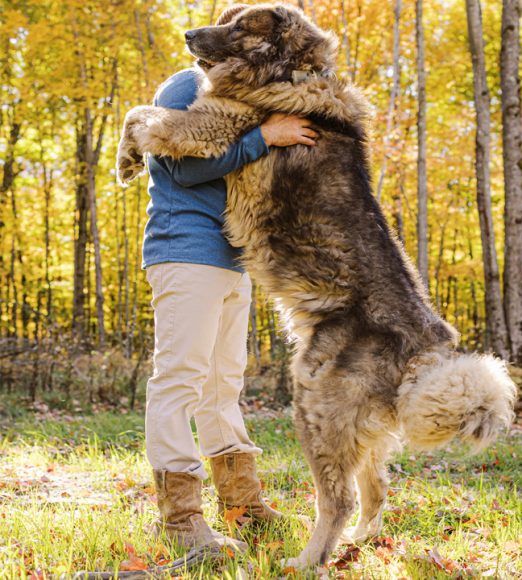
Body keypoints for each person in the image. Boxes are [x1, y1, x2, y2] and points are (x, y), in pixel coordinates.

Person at [144, 5, 317, 554]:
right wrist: (264, 136)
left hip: (232, 258)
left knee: (223, 385)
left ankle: (241, 504)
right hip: (184, 252)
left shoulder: (246, 94)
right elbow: (184, 167)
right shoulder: (183, 87)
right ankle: (180, 519)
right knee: (180, 379)